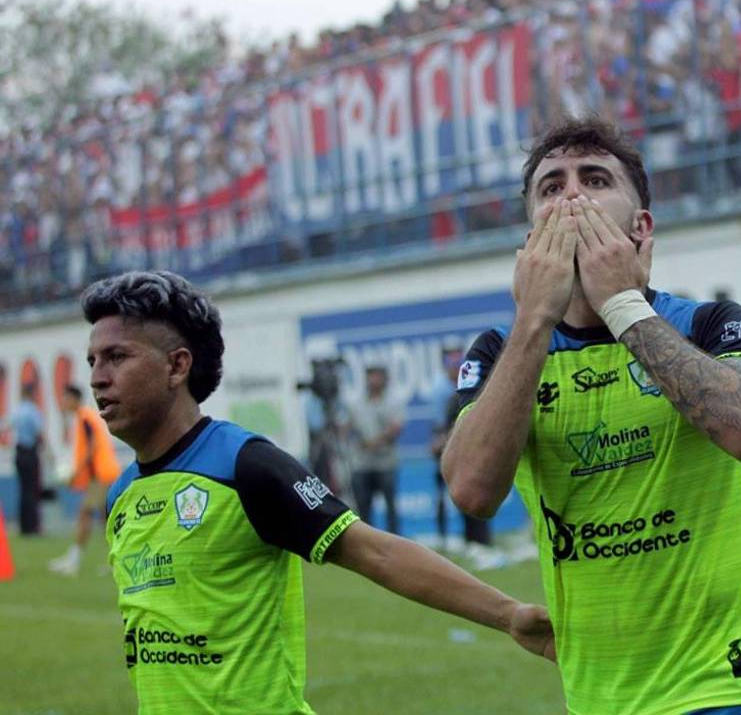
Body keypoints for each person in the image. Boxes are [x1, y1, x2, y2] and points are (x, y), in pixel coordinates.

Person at [81, 271, 554, 714]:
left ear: (176, 366)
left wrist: (508, 614)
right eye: (93, 361)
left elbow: (377, 553)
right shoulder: (121, 495)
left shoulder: (244, 465)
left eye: (117, 357)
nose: (98, 378)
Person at [442, 117, 741, 715]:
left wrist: (622, 304)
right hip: (595, 695)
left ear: (640, 225)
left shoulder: (708, 324)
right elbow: (472, 491)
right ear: (529, 238)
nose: (571, 196)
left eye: (594, 180)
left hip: (719, 686)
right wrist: (532, 322)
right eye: (550, 188)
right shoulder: (505, 351)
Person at [49, 384, 122, 575]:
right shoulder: (86, 416)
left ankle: (73, 561)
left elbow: (93, 445)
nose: (63, 402)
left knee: (85, 515)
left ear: (74, 399)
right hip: (103, 474)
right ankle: (118, 562)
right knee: (108, 521)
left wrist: (76, 471)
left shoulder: (84, 417)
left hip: (101, 475)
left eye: (65, 398)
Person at [429, 345, 490, 547]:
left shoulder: (469, 384)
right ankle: (444, 537)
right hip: (450, 447)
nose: (455, 367)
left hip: (470, 448)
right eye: (451, 363)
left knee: (473, 492)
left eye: (458, 363)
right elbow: (439, 425)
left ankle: (477, 539)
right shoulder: (440, 391)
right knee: (444, 495)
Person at [346, 365, 404, 535]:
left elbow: (396, 427)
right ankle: (367, 539)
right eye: (371, 376)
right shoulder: (356, 403)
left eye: (378, 376)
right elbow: (348, 427)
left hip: (386, 462)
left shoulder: (393, 401)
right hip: (362, 463)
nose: (374, 380)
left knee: (391, 506)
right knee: (363, 507)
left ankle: (396, 540)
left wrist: (374, 442)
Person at [10, 382, 45, 535]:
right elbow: (39, 433)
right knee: (32, 490)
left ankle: (23, 526)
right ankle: (33, 527)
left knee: (23, 490)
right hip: (30, 452)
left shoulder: (17, 411)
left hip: (19, 452)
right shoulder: (33, 411)